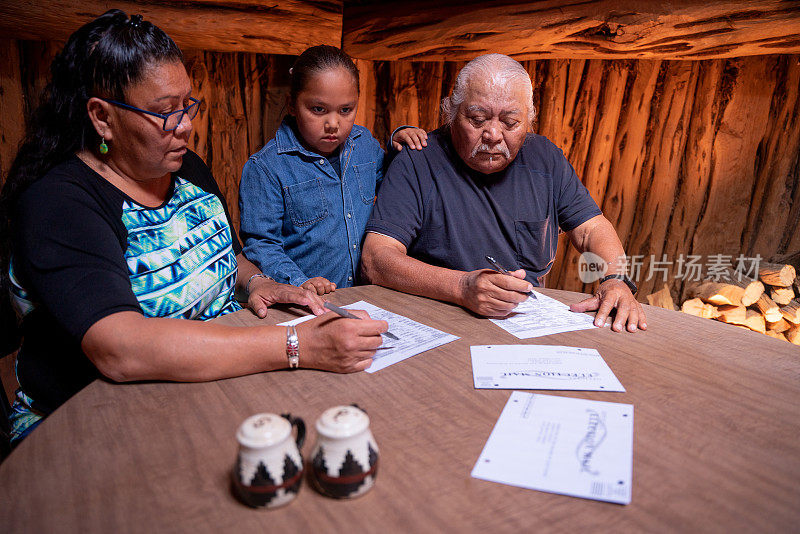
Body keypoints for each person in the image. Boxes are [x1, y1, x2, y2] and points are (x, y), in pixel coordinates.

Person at [0, 10, 387, 445]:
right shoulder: (60, 204)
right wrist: (298, 346)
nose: (185, 125)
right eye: (165, 112)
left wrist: (258, 282)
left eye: (187, 105)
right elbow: (120, 349)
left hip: (212, 389)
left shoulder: (187, 170)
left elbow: (231, 256)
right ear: (102, 117)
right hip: (96, 422)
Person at [361, 54, 646, 333]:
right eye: (477, 119)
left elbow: (591, 228)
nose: (493, 134)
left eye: (510, 122)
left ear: (529, 119)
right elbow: (376, 258)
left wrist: (616, 279)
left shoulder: (545, 158)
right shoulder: (419, 160)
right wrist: (461, 287)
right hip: (435, 320)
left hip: (526, 324)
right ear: (451, 113)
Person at [238, 45, 428, 296]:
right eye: (318, 109)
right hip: (306, 302)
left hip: (368, 296)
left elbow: (395, 191)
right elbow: (261, 245)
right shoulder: (266, 168)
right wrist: (298, 281)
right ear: (292, 105)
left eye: (345, 110)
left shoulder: (364, 145)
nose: (333, 124)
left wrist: (399, 146)